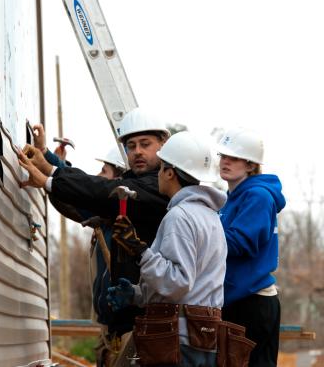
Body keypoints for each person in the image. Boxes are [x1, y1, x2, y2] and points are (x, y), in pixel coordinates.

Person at [18, 108, 170, 351]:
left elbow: (98, 190)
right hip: (125, 324)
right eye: (131, 146)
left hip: (147, 323)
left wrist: (49, 177)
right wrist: (48, 163)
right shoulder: (134, 186)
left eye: (145, 144)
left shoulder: (156, 189)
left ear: (164, 145)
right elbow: (88, 195)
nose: (138, 151)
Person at [106, 131, 228, 367]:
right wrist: (138, 294)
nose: (158, 174)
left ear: (170, 172)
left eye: (161, 167)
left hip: (177, 341)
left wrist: (140, 251)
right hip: (202, 335)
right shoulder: (211, 217)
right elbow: (192, 286)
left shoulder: (180, 216)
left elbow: (177, 283)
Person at [216, 127, 286, 367]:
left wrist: (199, 234)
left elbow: (239, 242)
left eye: (233, 157)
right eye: (223, 156)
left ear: (250, 164)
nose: (225, 161)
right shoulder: (230, 198)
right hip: (236, 299)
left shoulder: (258, 196)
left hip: (253, 301)